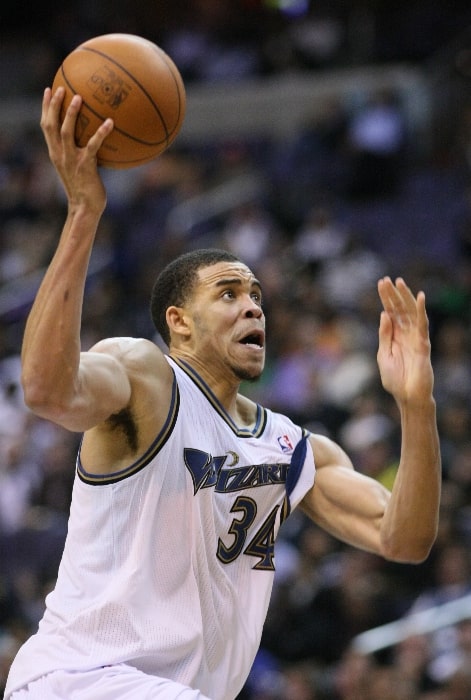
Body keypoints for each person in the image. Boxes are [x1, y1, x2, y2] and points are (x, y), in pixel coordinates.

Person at [4, 86, 441, 700]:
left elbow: (405, 538)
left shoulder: (292, 448)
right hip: (82, 680)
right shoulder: (147, 377)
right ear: (179, 320)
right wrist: (82, 214)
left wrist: (416, 406)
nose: (253, 306)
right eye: (230, 293)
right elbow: (47, 390)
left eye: (257, 295)